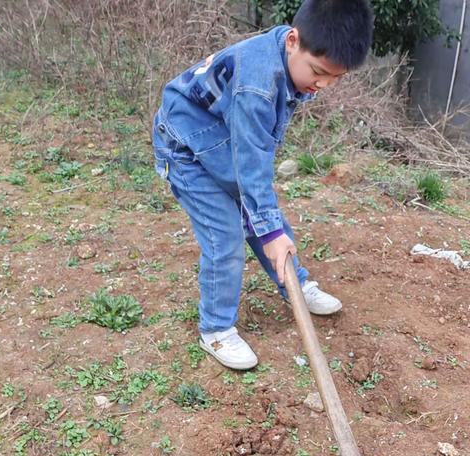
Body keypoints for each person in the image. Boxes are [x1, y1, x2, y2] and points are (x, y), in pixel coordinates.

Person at [152, 0, 373, 370]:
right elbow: (252, 162)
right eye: (319, 72)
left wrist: (267, 225)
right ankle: (216, 329)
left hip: (221, 137)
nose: (322, 85)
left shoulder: (287, 60)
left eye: (335, 78)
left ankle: (293, 283)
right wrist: (269, 230)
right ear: (292, 40)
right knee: (226, 234)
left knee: (262, 214)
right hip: (186, 148)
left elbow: (253, 161)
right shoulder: (257, 84)